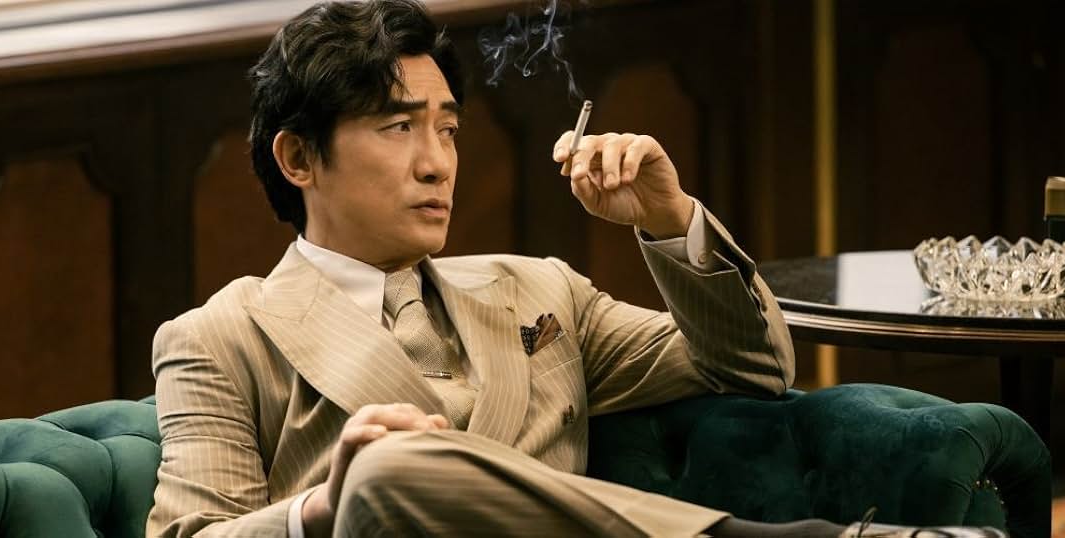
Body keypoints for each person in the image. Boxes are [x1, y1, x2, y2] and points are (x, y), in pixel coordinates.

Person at [144, 1, 1006, 537]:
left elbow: (755, 366)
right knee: (387, 470)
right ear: (298, 157)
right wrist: (328, 505)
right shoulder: (220, 336)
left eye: (449, 129)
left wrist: (668, 220)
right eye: (399, 128)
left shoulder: (538, 290)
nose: (438, 163)